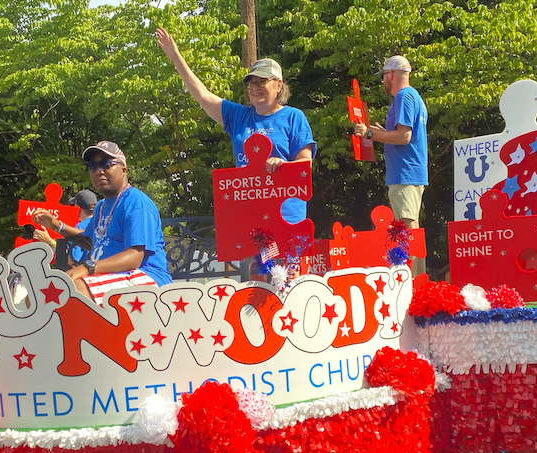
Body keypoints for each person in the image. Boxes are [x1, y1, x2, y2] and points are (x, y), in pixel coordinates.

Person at [156, 28, 316, 224]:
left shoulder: (294, 117)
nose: (255, 88)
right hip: (248, 219)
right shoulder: (237, 116)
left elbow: (305, 165)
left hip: (287, 220)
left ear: (279, 85)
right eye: (251, 83)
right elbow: (202, 95)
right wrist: (175, 58)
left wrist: (283, 166)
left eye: (262, 82)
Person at [31, 141, 171, 305]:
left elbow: (134, 257)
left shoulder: (136, 202)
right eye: (93, 166)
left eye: (106, 164)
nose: (99, 171)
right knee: (39, 293)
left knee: (70, 291)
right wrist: (56, 225)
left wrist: (86, 267)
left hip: (145, 276)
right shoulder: (101, 207)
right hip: (110, 275)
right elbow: (87, 240)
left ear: (123, 169)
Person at [353, 55, 428, 273]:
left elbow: (404, 137)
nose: (383, 81)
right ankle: (417, 279)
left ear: (391, 75)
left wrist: (369, 133)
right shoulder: (415, 97)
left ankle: (413, 281)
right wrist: (382, 133)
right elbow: (407, 136)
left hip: (405, 172)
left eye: (384, 76)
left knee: (407, 226)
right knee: (410, 225)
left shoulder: (404, 97)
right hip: (410, 172)